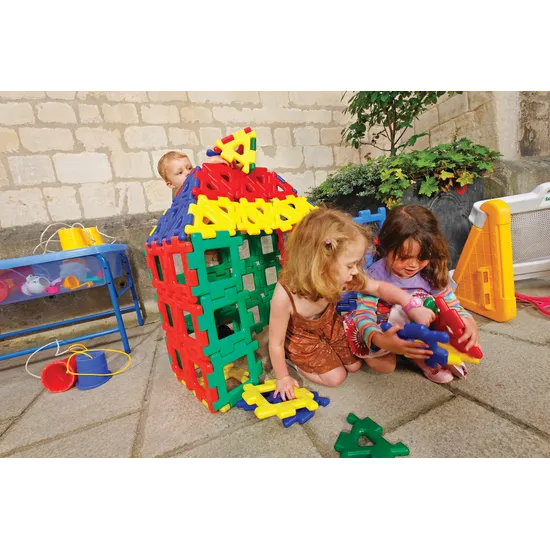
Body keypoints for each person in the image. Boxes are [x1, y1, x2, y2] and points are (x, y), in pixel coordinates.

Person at [268, 207, 436, 401]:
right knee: (336, 378)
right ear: (320, 264)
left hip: (331, 326)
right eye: (350, 265)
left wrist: (411, 305)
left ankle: (325, 353)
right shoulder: (284, 296)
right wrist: (283, 377)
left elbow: (378, 288)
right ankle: (295, 359)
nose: (356, 271)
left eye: (356, 264)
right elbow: (275, 343)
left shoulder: (341, 277)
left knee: (354, 365)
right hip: (303, 339)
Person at [345, 204, 480, 384]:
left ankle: (420, 355)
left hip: (420, 329)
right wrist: (381, 341)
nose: (413, 265)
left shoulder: (431, 271)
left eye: (422, 257)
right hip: (385, 329)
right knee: (385, 366)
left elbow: (451, 303)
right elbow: (363, 315)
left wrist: (467, 320)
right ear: (386, 247)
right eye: (403, 257)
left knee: (432, 308)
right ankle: (408, 352)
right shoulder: (374, 276)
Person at [157, 151, 230, 193]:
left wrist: (211, 161)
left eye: (189, 168)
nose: (187, 172)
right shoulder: (178, 197)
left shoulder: (197, 180)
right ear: (170, 184)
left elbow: (201, 170)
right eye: (180, 172)